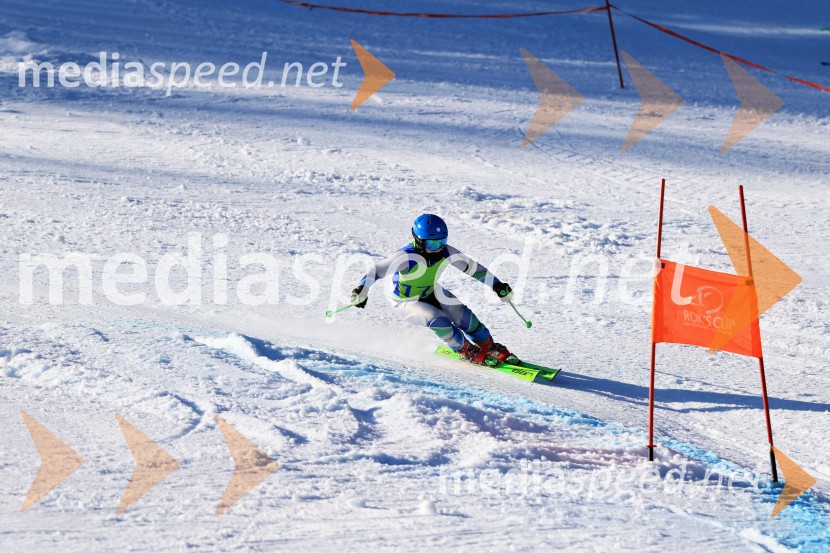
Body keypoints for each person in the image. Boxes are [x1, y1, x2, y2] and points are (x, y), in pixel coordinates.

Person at [350, 213, 516, 365]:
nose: (439, 247)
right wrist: (362, 290)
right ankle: (465, 349)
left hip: (431, 291)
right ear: (419, 241)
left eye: (442, 241)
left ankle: (489, 346)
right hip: (406, 301)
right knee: (439, 320)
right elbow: (376, 271)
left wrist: (497, 284)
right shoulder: (406, 256)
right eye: (433, 243)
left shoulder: (447, 252)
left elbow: (474, 269)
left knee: (465, 317)